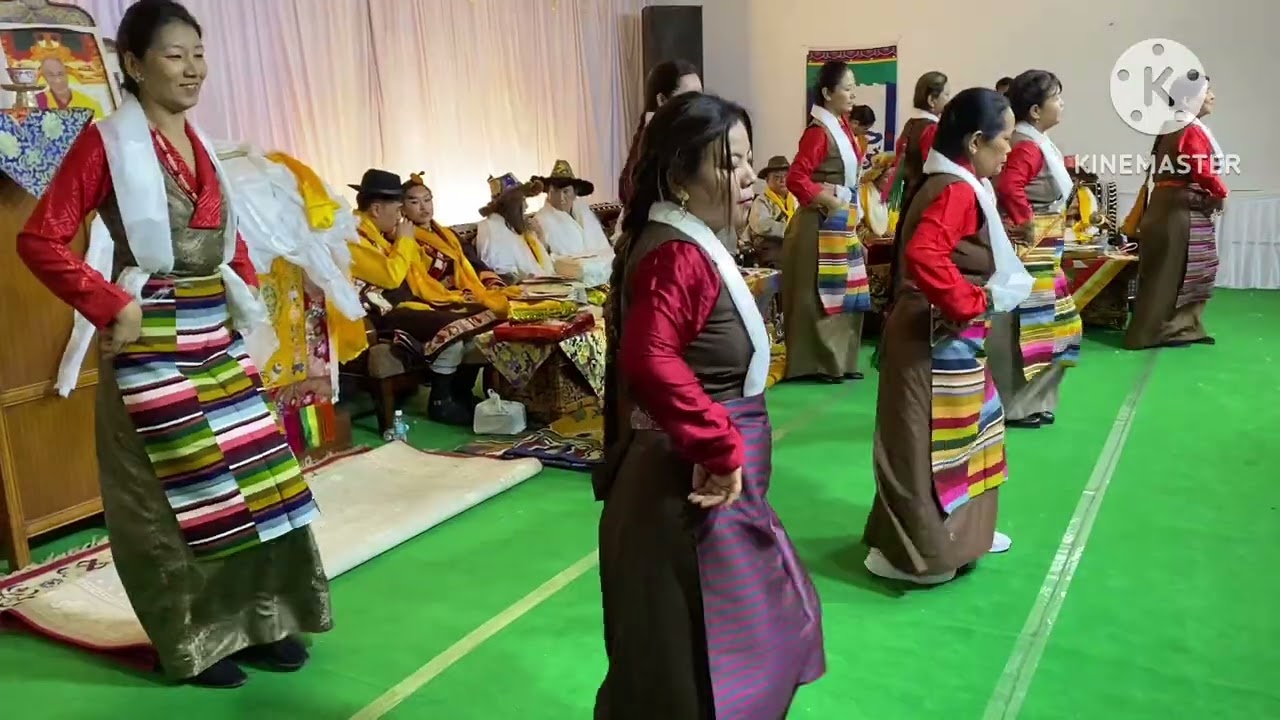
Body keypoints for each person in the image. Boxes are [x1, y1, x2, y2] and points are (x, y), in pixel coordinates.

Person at [16, 0, 330, 688]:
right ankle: (195, 641)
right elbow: (39, 239)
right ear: (132, 64)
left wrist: (247, 298)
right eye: (174, 54)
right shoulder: (104, 143)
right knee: (179, 494)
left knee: (261, 481)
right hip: (150, 343)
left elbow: (231, 239)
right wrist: (106, 303)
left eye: (199, 53)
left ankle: (265, 619)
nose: (193, 69)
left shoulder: (206, 145)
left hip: (214, 337)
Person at [594, 91, 824, 719]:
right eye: (730, 164)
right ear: (679, 176)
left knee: (724, 642)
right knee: (694, 658)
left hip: (694, 478)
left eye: (748, 160)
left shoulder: (682, 241)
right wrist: (720, 449)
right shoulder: (677, 253)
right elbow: (650, 359)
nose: (749, 178)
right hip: (686, 485)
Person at [863, 88, 1032, 585]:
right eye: (1003, 141)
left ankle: (965, 535)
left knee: (970, 435)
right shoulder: (956, 190)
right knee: (923, 448)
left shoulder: (957, 183)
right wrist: (971, 302)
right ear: (977, 141)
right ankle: (921, 552)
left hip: (942, 335)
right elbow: (925, 255)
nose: (1009, 151)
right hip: (931, 335)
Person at [347, 169, 490, 425]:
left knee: (481, 314)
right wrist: (404, 241)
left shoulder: (377, 233)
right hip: (375, 314)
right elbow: (390, 276)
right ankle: (441, 401)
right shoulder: (352, 237)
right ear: (377, 209)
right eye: (398, 208)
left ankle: (458, 394)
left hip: (402, 304)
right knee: (452, 325)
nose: (401, 215)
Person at [991, 70, 1082, 428]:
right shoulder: (1027, 147)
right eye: (1056, 97)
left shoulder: (1036, 142)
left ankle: (1033, 400)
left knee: (1054, 326)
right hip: (1030, 251)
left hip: (1043, 251)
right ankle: (1015, 404)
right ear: (1034, 110)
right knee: (1026, 327)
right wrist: (1025, 221)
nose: (1061, 104)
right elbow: (1010, 185)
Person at [781, 60, 871, 384]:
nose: (853, 93)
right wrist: (829, 198)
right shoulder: (818, 132)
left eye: (853, 87)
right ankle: (817, 364)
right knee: (818, 297)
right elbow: (796, 178)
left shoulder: (842, 126)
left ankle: (840, 361)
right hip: (818, 223)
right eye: (847, 88)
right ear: (826, 92)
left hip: (839, 219)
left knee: (845, 293)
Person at [1125, 70, 1227, 350]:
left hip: (1168, 205)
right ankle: (1163, 331)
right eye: (1206, 92)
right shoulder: (1187, 128)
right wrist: (1220, 192)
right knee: (1173, 272)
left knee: (1168, 270)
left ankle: (1178, 328)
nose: (1212, 96)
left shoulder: (1173, 125)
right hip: (1179, 208)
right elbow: (1201, 168)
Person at [618, 59, 702, 205]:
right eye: (689, 98)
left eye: (700, 96)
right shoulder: (652, 141)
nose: (699, 104)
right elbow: (630, 193)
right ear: (662, 100)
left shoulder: (696, 134)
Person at [475, 173, 555, 279]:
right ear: (512, 204)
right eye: (523, 200)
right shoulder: (490, 228)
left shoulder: (513, 227)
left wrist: (540, 236)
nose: (526, 206)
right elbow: (501, 271)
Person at [532, 160, 612, 257]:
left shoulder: (585, 214)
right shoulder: (541, 221)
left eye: (566, 191)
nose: (561, 198)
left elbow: (603, 248)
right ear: (549, 192)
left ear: (575, 193)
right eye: (556, 191)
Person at [746, 154, 797, 268]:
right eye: (776, 177)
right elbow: (762, 225)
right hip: (769, 245)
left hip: (792, 242)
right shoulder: (761, 200)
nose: (782, 180)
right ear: (767, 180)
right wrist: (791, 231)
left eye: (785, 176)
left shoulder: (795, 199)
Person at [35, 56, 106, 118]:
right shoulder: (37, 103)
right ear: (45, 78)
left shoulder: (91, 104)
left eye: (60, 74)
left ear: (66, 74)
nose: (58, 80)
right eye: (51, 75)